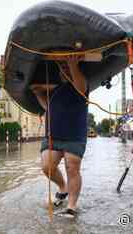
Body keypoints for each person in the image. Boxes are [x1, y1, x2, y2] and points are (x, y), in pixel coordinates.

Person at [30, 56, 88, 218]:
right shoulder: (54, 89)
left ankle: (71, 206)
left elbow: (81, 88)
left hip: (74, 134)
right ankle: (63, 188)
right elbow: (48, 106)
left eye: (66, 65)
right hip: (53, 136)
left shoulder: (82, 83)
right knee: (47, 167)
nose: (65, 69)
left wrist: (72, 64)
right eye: (62, 66)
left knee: (72, 167)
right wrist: (38, 94)